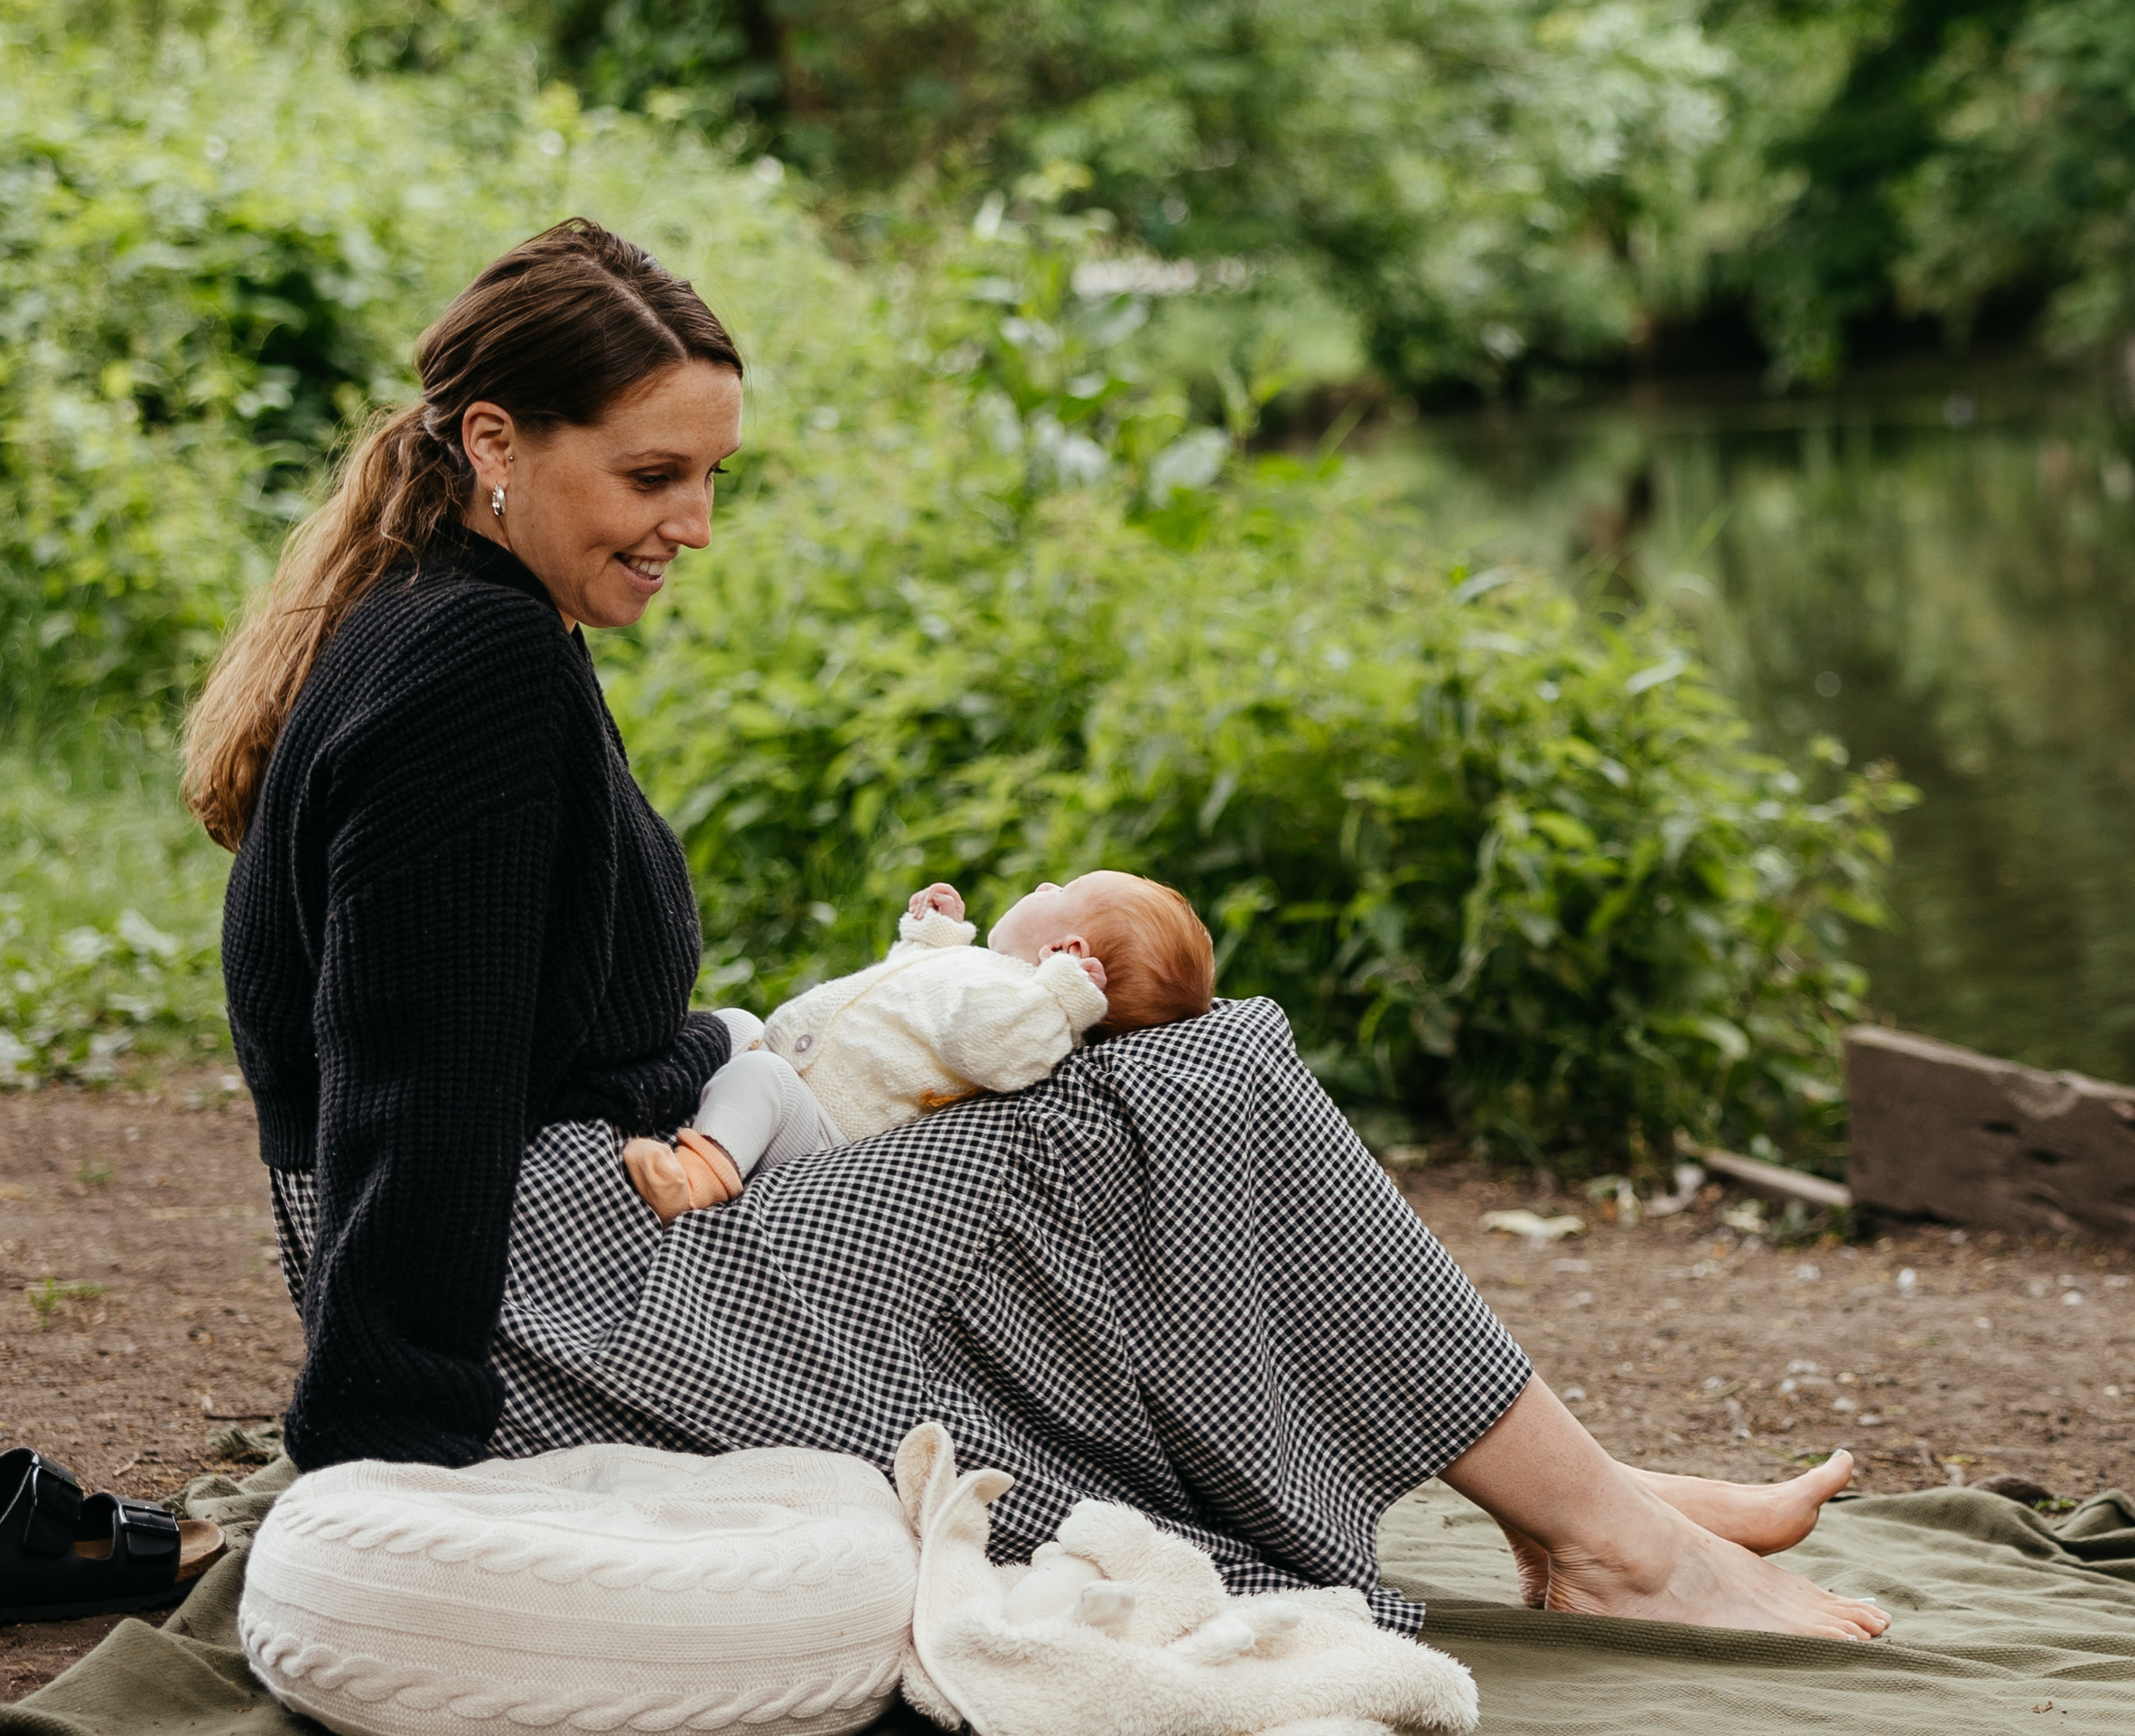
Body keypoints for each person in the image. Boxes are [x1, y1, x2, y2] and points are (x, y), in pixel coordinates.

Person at [187, 218, 1888, 1645]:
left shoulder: (453, 622)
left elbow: (520, 1030)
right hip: (549, 1298)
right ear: (495, 442)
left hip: (586, 1223)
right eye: (651, 475)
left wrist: (759, 1054)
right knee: (1201, 1085)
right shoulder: (474, 671)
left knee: (1108, 1076)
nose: (693, 525)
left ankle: (1548, 1482)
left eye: (711, 475)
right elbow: (409, 1082)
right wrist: (386, 1468)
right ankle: (1603, 1534)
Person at [620, 869, 1216, 1218]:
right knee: (737, 1025)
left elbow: (984, 1047)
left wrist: (1062, 999)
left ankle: (695, 1180)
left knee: (761, 1082)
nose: (1042, 883)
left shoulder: (1032, 1017)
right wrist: (936, 938)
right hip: (802, 1065)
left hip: (824, 1130)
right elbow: (915, 1005)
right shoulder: (991, 973)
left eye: (1058, 893)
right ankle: (674, 1102)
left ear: (1066, 954)